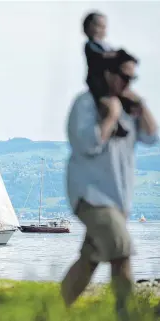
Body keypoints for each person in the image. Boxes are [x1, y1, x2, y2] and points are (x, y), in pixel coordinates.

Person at [62, 49, 158, 321]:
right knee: (122, 252)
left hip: (117, 202)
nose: (129, 83)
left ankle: (52, 310)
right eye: (124, 77)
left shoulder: (128, 108)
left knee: (89, 262)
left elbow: (152, 137)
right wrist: (110, 117)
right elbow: (87, 144)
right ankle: (127, 316)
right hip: (91, 197)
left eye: (133, 78)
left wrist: (141, 104)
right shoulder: (86, 104)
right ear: (108, 73)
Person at [82, 11, 128, 137]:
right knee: (107, 105)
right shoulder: (90, 45)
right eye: (96, 26)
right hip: (98, 82)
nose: (100, 30)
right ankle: (106, 130)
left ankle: (118, 123)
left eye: (103, 27)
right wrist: (116, 56)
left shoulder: (106, 46)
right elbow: (100, 58)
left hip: (109, 82)